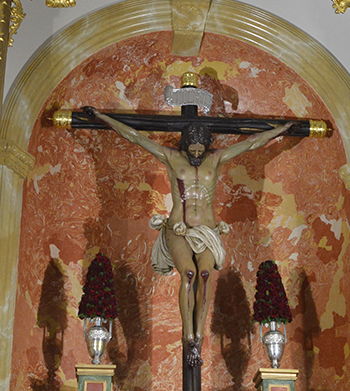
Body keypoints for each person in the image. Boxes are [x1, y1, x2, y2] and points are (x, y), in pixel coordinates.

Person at [83, 106, 295, 365]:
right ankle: (188, 337)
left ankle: (198, 339)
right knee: (189, 274)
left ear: (207, 145)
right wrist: (102, 118)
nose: (196, 154)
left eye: (200, 150)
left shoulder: (216, 158)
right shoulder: (171, 157)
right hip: (178, 228)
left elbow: (252, 143)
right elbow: (135, 137)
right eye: (192, 150)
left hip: (206, 231)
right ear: (185, 145)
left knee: (204, 275)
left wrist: (281, 130)